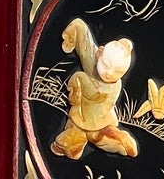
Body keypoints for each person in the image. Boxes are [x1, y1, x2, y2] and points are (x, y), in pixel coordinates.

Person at [50, 18, 138, 160]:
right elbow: (85, 43)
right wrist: (73, 33)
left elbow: (101, 101)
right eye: (105, 64)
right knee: (70, 137)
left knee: (101, 137)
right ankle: (72, 148)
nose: (108, 73)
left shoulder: (115, 86)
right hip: (81, 114)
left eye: (117, 72)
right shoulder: (92, 62)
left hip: (99, 120)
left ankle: (122, 142)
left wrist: (82, 83)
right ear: (99, 54)